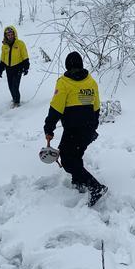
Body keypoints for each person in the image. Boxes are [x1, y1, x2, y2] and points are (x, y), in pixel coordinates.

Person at [43, 51, 108, 206]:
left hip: (73, 129)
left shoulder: (64, 83)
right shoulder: (91, 82)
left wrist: (49, 128)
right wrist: (93, 128)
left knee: (67, 159)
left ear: (67, 66)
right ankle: (78, 181)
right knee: (76, 154)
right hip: (88, 128)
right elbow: (96, 107)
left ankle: (95, 186)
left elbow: (56, 108)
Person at [0, 25, 30, 107]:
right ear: (6, 36)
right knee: (10, 86)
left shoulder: (20, 44)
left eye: (12, 34)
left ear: (14, 34)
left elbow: (25, 56)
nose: (10, 36)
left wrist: (26, 67)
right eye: (8, 35)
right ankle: (14, 98)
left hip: (18, 67)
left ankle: (17, 102)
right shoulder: (4, 46)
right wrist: (1, 68)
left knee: (15, 86)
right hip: (9, 69)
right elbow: (2, 58)